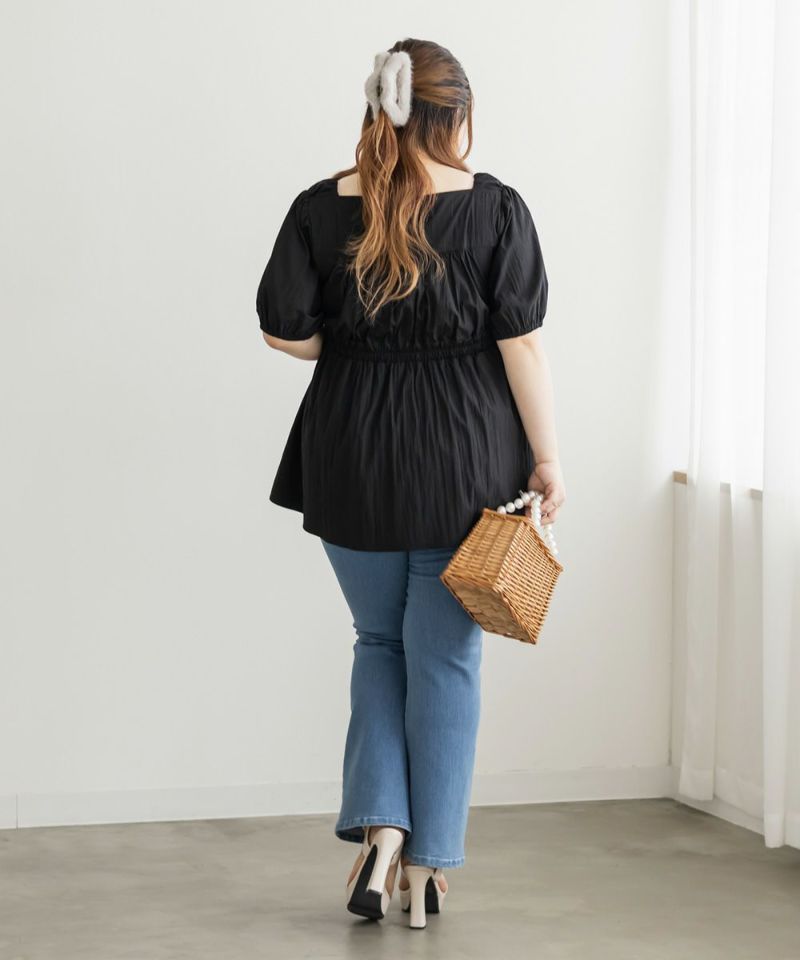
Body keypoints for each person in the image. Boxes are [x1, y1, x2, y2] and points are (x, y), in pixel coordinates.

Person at [255, 38, 565, 929]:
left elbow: (285, 332)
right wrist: (548, 459)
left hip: (350, 451)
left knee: (377, 643)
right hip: (465, 461)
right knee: (446, 659)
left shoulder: (320, 207)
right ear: (454, 115)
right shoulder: (494, 208)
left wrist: (357, 346)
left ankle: (382, 832)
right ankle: (429, 867)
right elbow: (520, 343)